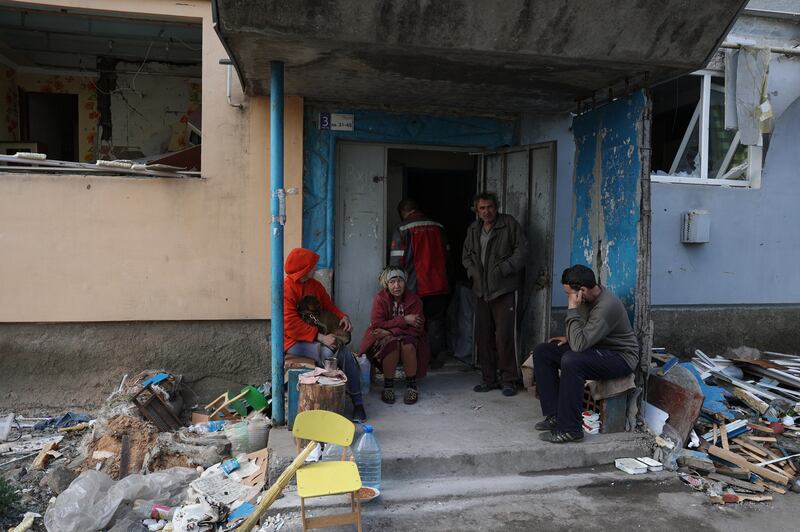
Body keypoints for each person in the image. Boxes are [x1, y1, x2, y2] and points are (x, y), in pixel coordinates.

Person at [532, 264, 640, 443]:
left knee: (571, 361)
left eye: (569, 294)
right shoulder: (586, 300)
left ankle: (570, 429)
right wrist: (570, 336)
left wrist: (572, 309)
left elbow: (579, 345)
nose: (568, 298)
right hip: (596, 348)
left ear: (581, 290)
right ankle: (555, 415)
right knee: (543, 352)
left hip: (620, 357)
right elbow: (582, 335)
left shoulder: (607, 305)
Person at [283, 247, 366, 422]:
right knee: (328, 355)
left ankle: (358, 403)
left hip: (318, 337)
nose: (315, 269)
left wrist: (342, 316)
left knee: (344, 353)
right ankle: (328, 409)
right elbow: (290, 325)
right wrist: (320, 338)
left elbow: (329, 306)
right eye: (313, 267)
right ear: (304, 269)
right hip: (293, 341)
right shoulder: (287, 289)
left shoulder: (315, 286)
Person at [462, 192, 528, 397]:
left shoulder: (508, 224)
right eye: (482, 208)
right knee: (483, 337)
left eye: (490, 207)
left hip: (503, 289)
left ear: (496, 207)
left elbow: (523, 251)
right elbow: (466, 256)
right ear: (477, 211)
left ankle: (509, 379)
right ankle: (488, 378)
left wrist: (505, 269)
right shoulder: (473, 229)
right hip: (481, 291)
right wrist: (473, 273)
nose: (486, 211)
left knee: (504, 336)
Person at [389, 199, 450, 368]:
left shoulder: (402, 228)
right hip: (439, 285)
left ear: (402, 212)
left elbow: (396, 263)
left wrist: (394, 286)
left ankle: (416, 360)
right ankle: (436, 358)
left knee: (413, 323)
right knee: (436, 322)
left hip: (415, 287)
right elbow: (447, 256)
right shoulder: (439, 227)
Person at [359, 267, 430, 405]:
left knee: (408, 345)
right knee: (392, 344)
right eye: (392, 282)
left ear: (405, 282)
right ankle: (388, 386)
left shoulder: (414, 300)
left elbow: (418, 328)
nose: (397, 286)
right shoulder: (380, 299)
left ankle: (411, 386)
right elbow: (377, 324)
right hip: (384, 338)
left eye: (400, 281)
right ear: (386, 284)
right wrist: (405, 320)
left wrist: (391, 331)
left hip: (408, 336)